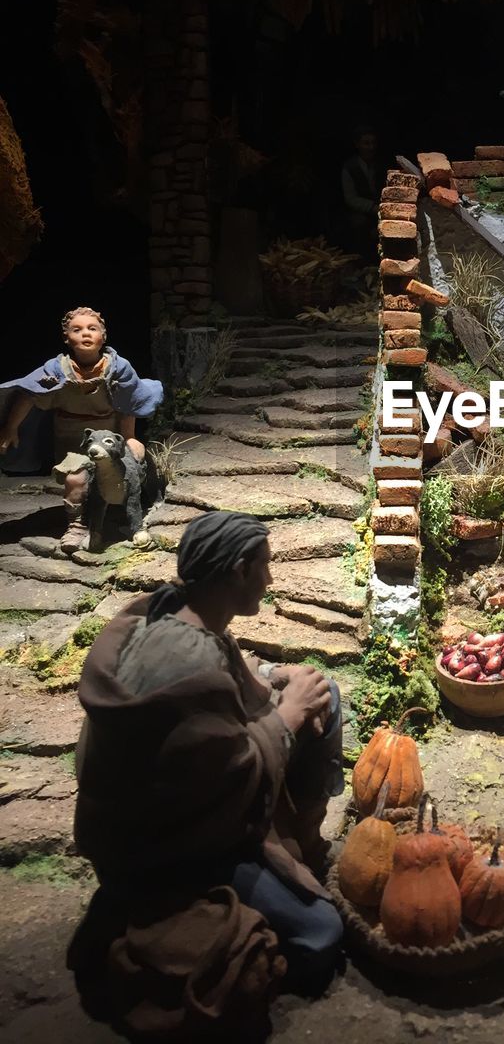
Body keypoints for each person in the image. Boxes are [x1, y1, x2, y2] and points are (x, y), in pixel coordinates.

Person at [69, 511, 345, 1029]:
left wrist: (276, 675)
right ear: (239, 570)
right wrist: (286, 716)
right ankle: (215, 943)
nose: (271, 578)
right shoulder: (186, 663)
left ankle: (300, 843)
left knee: (324, 694)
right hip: (174, 846)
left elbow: (227, 675)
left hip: (190, 805)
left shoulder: (175, 609)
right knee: (321, 936)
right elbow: (225, 780)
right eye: (265, 566)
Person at [0, 306, 163, 551]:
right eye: (77, 329)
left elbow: (128, 402)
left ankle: (129, 516)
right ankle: (77, 525)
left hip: (110, 440)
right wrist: (11, 428)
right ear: (67, 337)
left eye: (92, 328)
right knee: (76, 478)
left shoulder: (118, 368)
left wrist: (129, 436)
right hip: (72, 439)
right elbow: (28, 395)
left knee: (124, 472)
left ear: (103, 336)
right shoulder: (56, 370)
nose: (85, 334)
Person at [340, 123, 384, 252]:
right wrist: (373, 207)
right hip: (362, 212)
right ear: (357, 144)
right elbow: (351, 198)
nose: (371, 147)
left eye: (373, 143)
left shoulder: (380, 164)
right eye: (366, 143)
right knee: (359, 224)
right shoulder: (350, 167)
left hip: (381, 209)